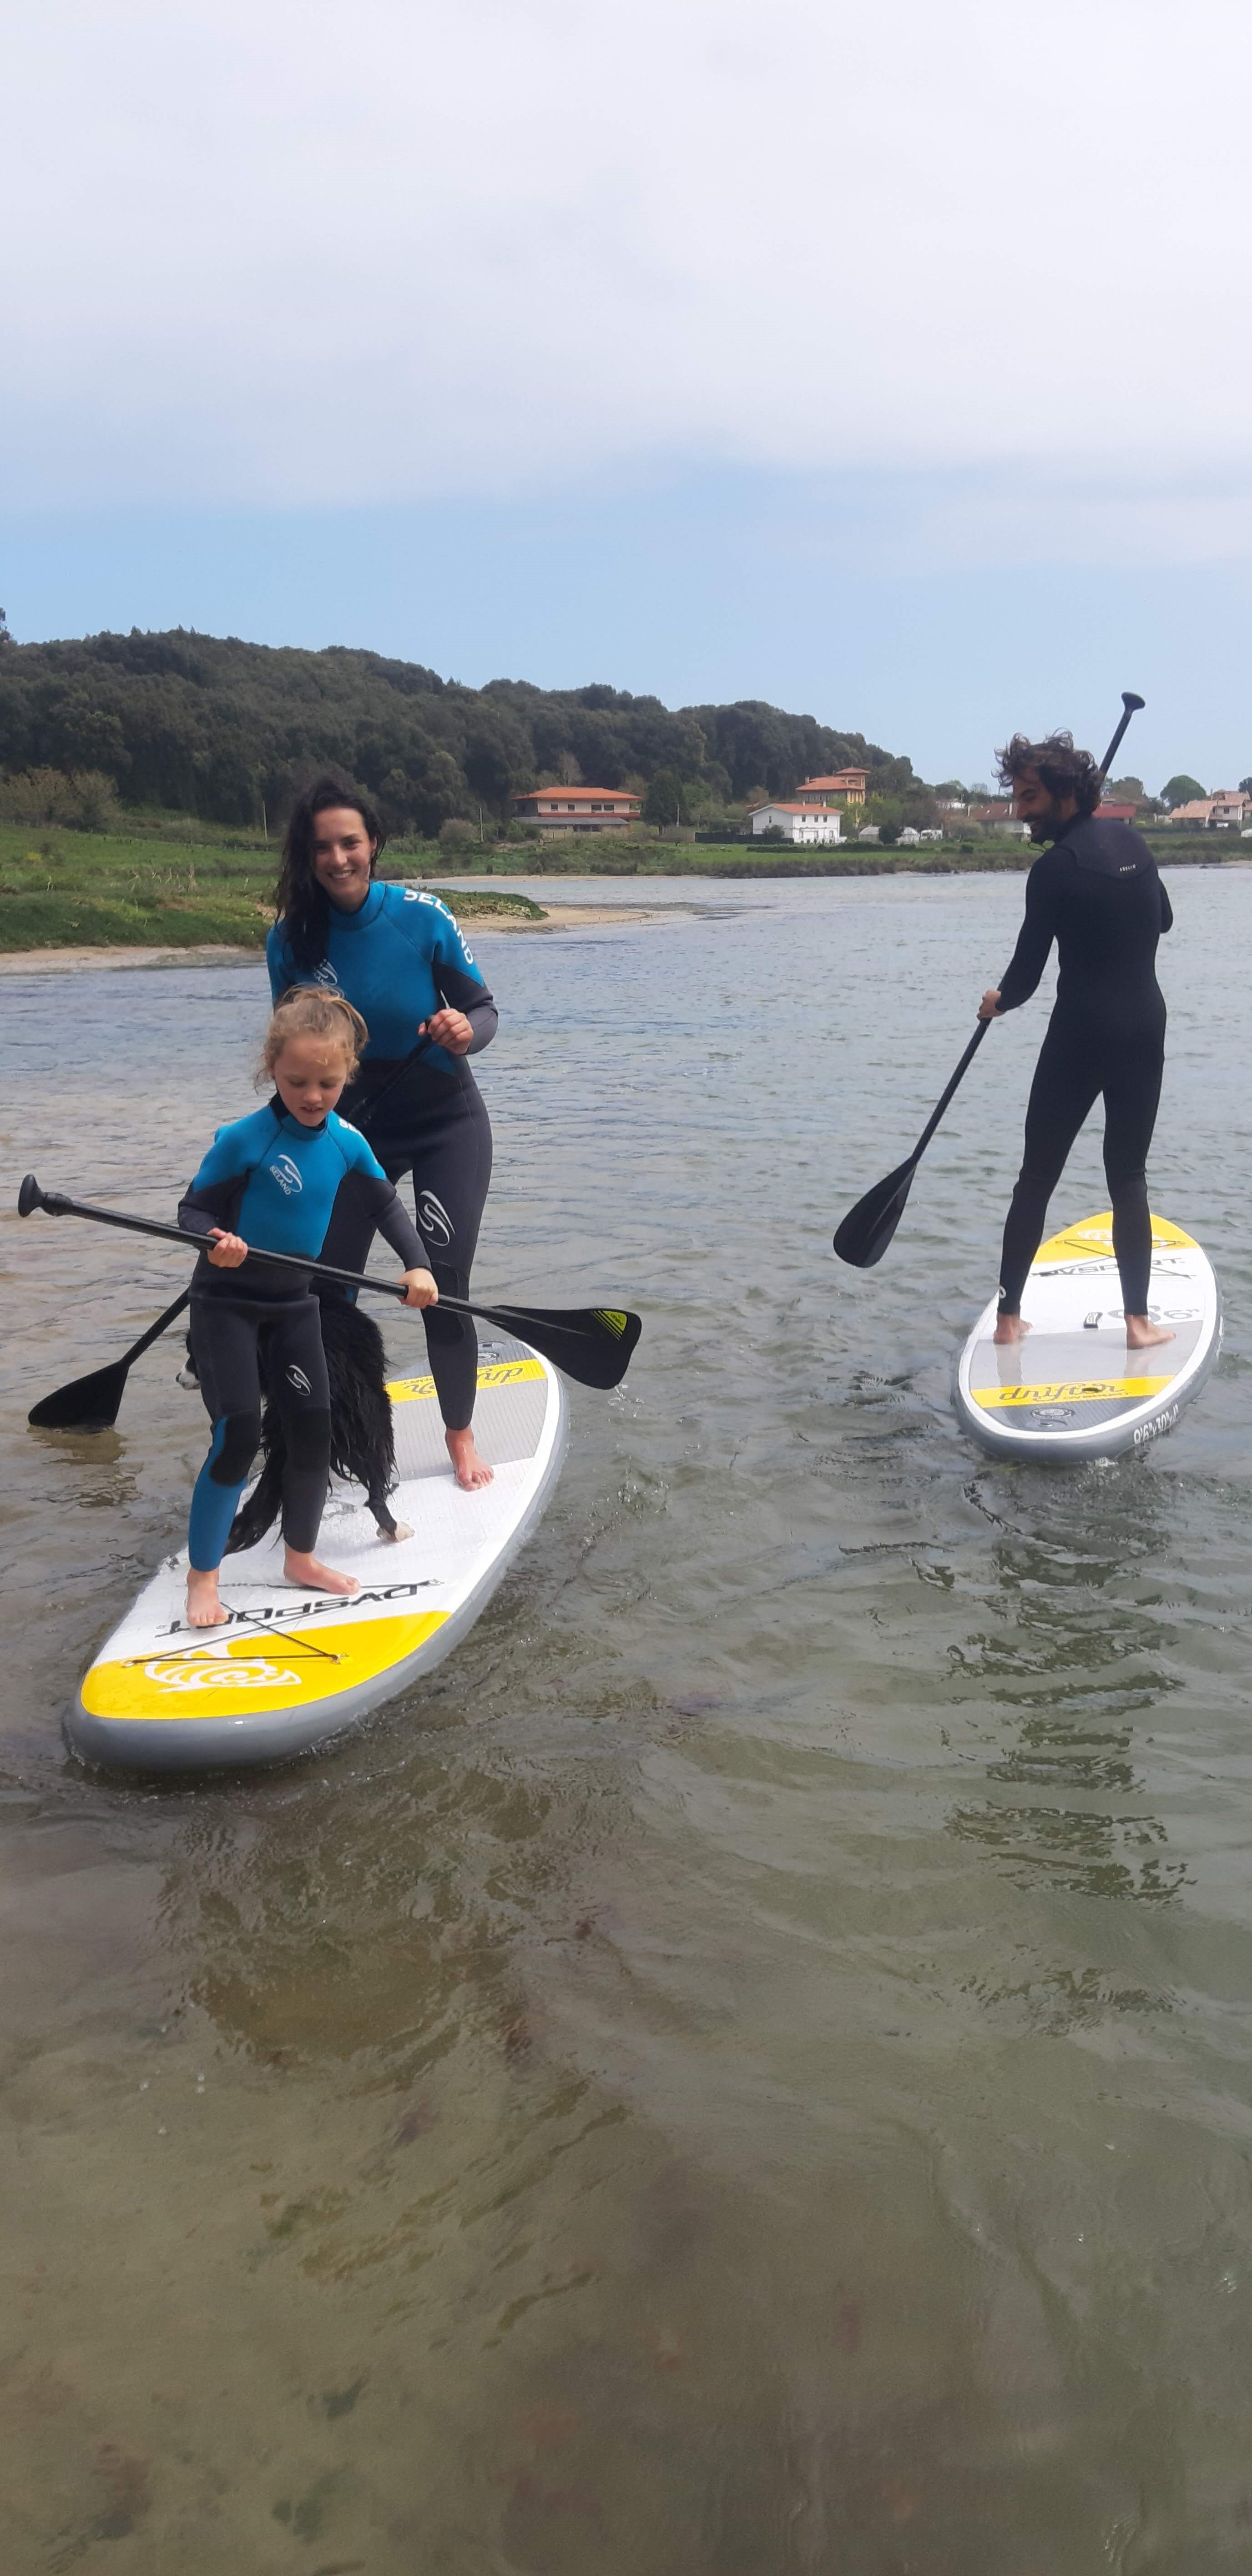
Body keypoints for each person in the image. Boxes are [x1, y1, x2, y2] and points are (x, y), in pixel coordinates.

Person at [178, 987, 436, 1630]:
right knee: (237, 1435)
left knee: (313, 1433)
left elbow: (384, 1207)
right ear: (272, 1067)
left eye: (327, 1082)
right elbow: (193, 1213)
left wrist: (418, 1264)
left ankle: (300, 1557)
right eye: (297, 1081)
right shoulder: (244, 1140)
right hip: (227, 1306)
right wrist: (217, 1240)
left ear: (348, 1074)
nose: (313, 1096)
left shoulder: (347, 1142)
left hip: (296, 1308)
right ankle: (202, 1580)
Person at [268, 777, 498, 1491]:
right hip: (346, 1132)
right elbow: (290, 1058)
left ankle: (459, 1437)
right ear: (307, 858)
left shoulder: (423, 918)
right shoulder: (291, 939)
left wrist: (465, 1030)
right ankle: (325, 1435)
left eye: (351, 843)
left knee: (441, 1281)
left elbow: (483, 1009)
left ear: (375, 845)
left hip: (442, 1121)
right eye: (323, 848)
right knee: (323, 1289)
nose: (338, 859)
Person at [978, 730, 1174, 1351]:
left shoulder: (1053, 870)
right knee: (1129, 1177)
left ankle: (1010, 1321)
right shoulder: (1135, 844)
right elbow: (1164, 918)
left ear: (1065, 794)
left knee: (1037, 1178)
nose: (1021, 811)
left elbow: (1026, 978)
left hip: (1081, 1035)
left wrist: (996, 1003)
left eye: (1030, 796)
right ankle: (1139, 1325)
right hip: (1145, 1028)